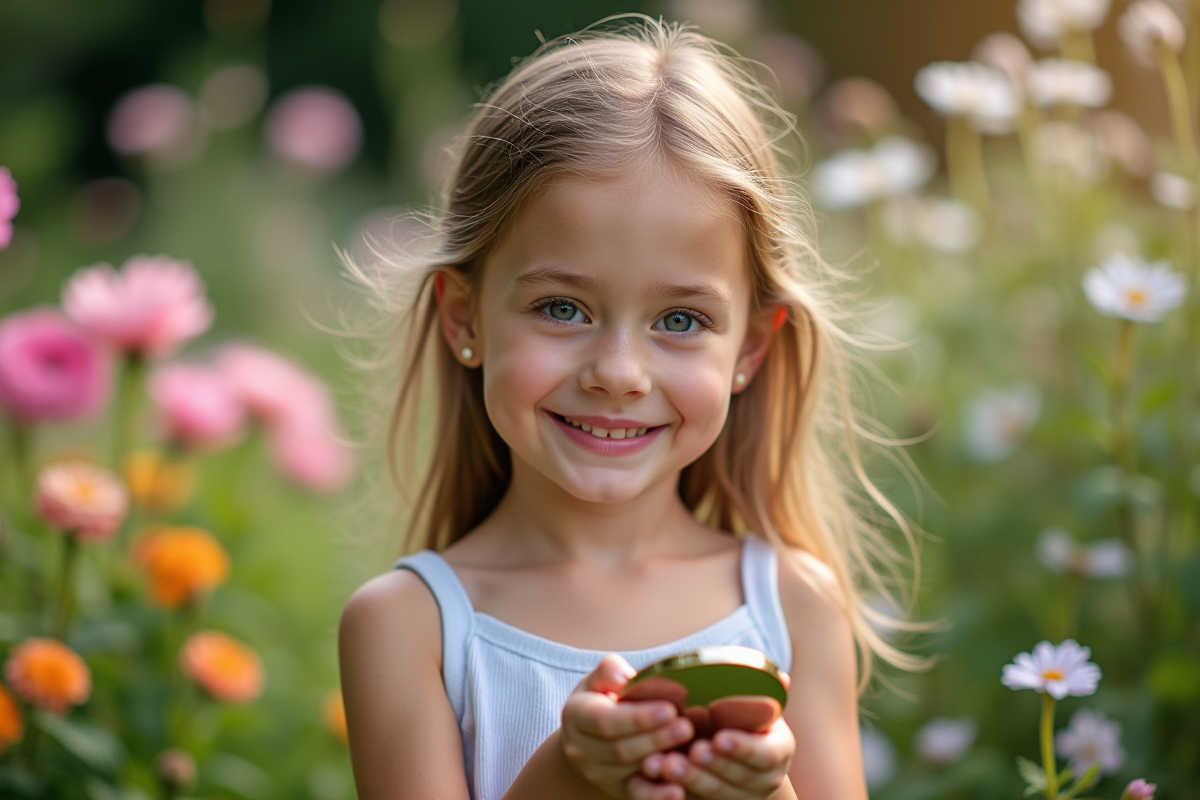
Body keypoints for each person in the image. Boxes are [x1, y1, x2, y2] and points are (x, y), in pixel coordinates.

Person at [339, 15, 920, 800]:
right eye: (561, 308)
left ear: (750, 348)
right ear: (463, 318)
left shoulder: (793, 605)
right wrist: (564, 779)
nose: (618, 373)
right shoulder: (411, 628)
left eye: (680, 321)